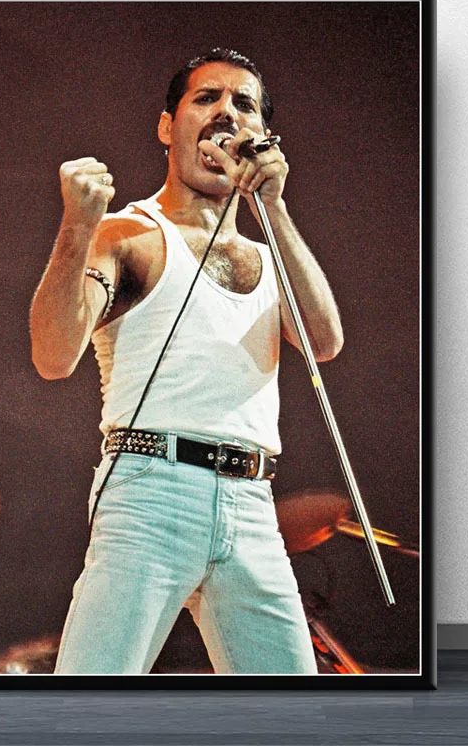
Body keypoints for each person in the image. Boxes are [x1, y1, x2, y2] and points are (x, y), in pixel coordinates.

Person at [30, 47, 344, 674]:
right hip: (152, 491)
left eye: (244, 104)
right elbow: (53, 356)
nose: (227, 112)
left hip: (252, 504)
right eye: (207, 98)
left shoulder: (269, 254)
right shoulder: (129, 235)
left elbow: (323, 341)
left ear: (262, 136)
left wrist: (273, 207)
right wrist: (77, 228)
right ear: (168, 126)